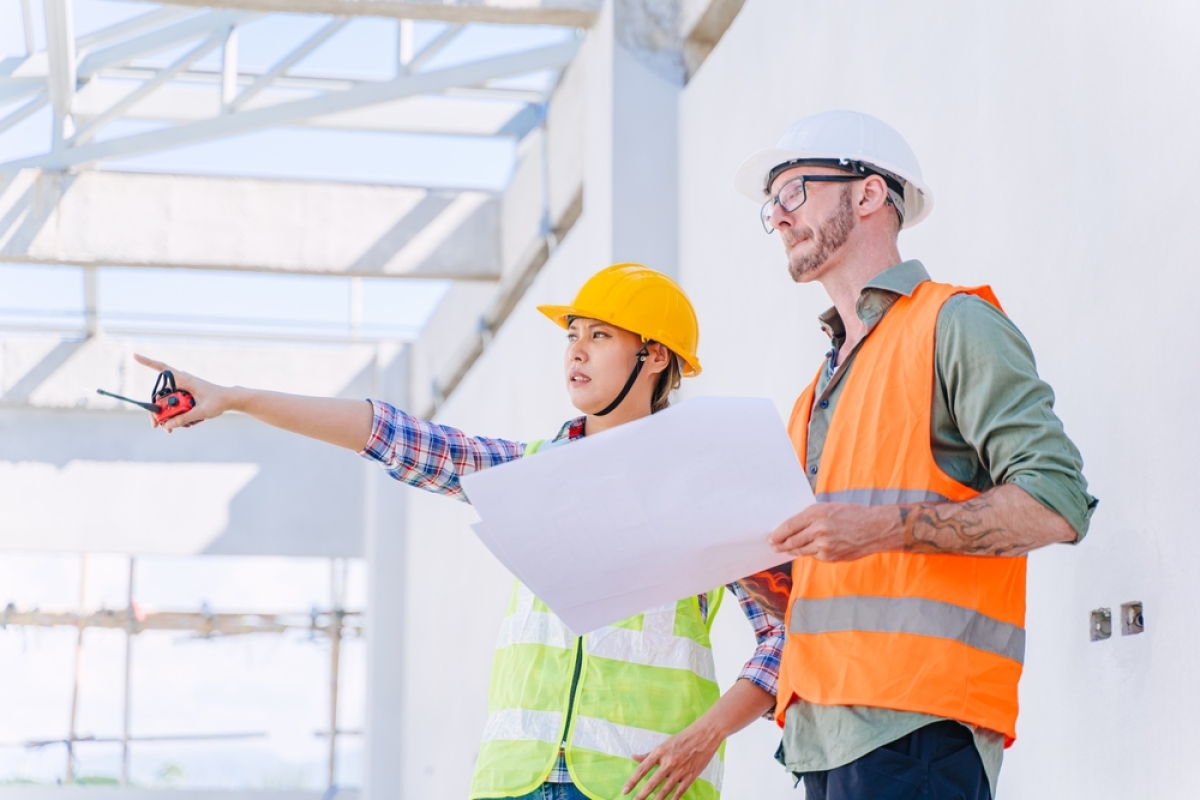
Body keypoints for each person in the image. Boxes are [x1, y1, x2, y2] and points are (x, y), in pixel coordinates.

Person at [135, 263, 784, 800]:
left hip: (645, 787)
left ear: (654, 355)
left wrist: (709, 734)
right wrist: (239, 398)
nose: (576, 350)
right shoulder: (529, 474)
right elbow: (390, 435)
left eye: (600, 335)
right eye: (571, 334)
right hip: (513, 784)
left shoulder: (703, 493)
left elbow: (786, 636)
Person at [730, 111, 1097, 800]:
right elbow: (824, 582)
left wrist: (884, 528)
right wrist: (755, 571)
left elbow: (1057, 503)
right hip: (821, 736)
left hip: (921, 728)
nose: (777, 218)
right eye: (769, 206)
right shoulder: (815, 393)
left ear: (868, 195)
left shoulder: (953, 324)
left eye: (792, 193)